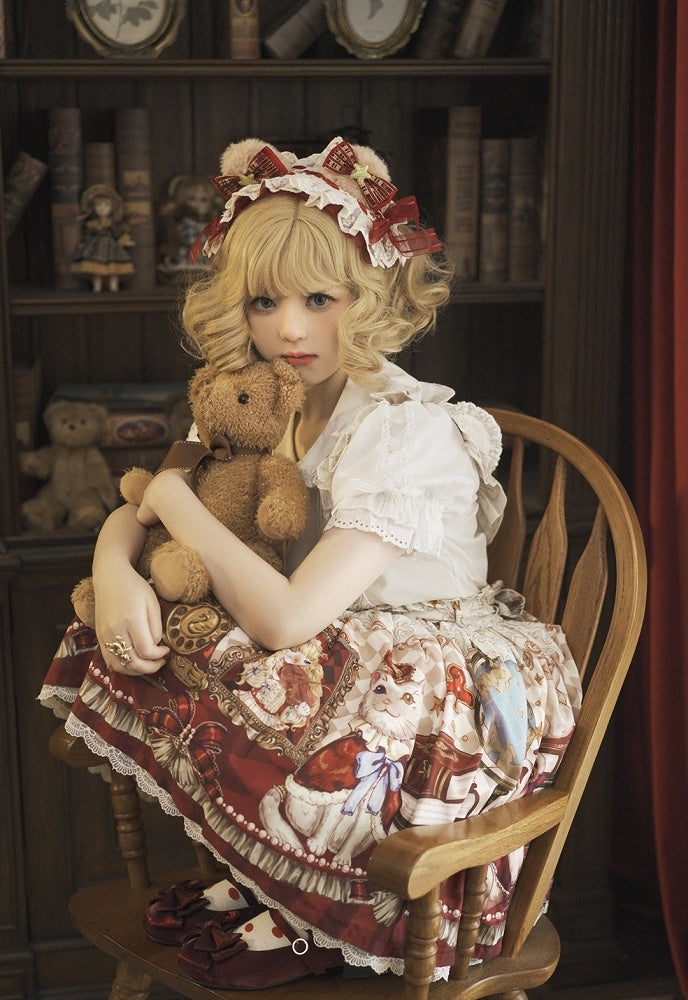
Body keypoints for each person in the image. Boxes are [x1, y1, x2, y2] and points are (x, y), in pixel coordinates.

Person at [40, 136, 581, 988]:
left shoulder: (404, 431)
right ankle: (275, 882)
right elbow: (145, 504)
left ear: (369, 296)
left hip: (430, 688)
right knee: (170, 633)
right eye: (264, 301)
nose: (290, 329)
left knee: (273, 664)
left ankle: (322, 908)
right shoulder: (260, 399)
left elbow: (285, 616)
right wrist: (114, 567)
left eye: (320, 298)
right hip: (329, 636)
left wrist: (174, 503)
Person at [71, 183, 135, 292]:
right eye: (98, 205)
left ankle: (113, 286)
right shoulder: (92, 224)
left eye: (106, 205)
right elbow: (87, 235)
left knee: (114, 268)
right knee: (96, 268)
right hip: (95, 248)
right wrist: (82, 244)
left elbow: (117, 234)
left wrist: (124, 240)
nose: (102, 208)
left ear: (112, 207)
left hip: (111, 248)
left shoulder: (112, 223)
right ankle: (97, 286)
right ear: (93, 207)